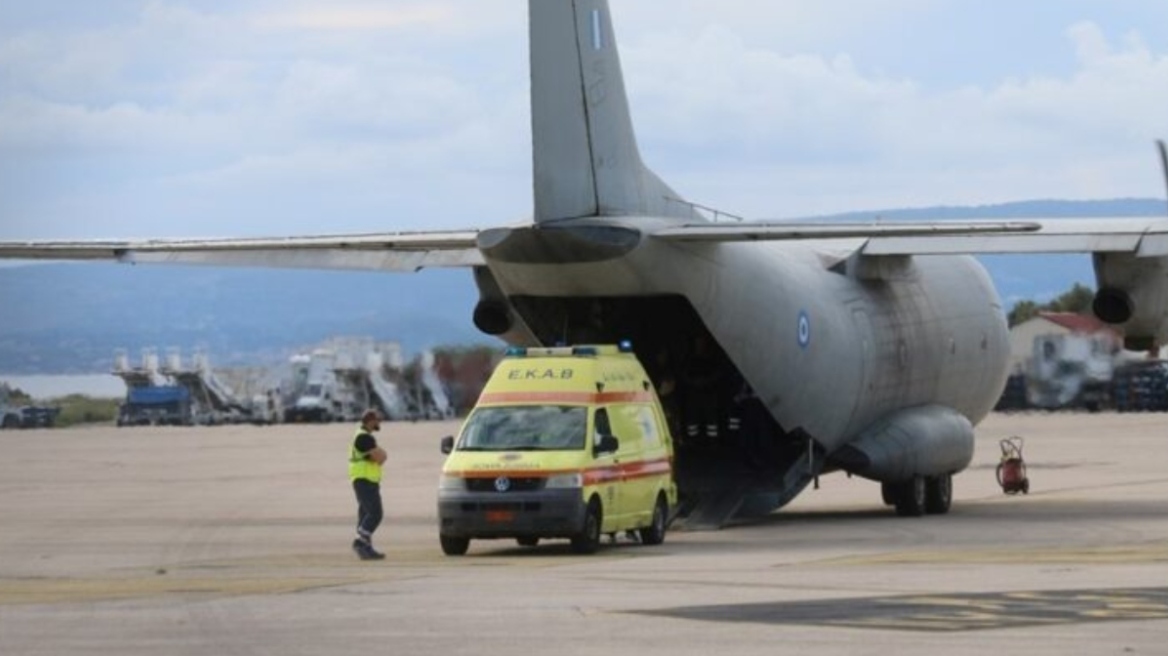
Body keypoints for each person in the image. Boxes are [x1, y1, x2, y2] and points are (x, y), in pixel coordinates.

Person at [349, 409, 388, 560]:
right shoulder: (364, 438)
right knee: (375, 513)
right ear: (370, 421)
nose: (379, 423)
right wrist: (379, 454)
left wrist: (377, 454)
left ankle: (366, 548)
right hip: (365, 480)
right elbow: (381, 458)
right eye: (378, 420)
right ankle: (360, 542)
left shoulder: (362, 436)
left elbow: (377, 456)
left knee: (365, 514)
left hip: (364, 479)